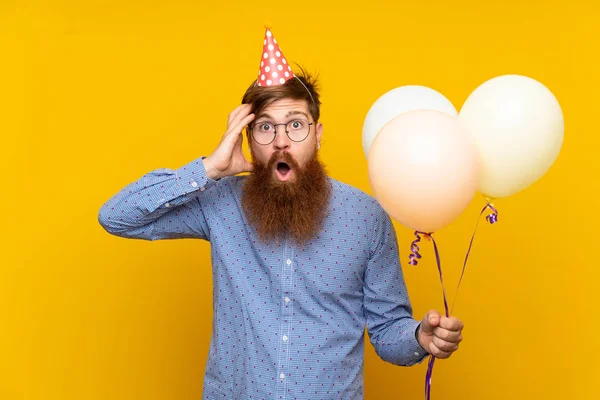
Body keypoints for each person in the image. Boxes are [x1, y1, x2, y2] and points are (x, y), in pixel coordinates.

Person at [98, 28, 463, 400]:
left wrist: (419, 336)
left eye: (296, 124)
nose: (281, 140)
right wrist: (209, 168)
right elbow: (116, 216)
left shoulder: (366, 218)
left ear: (318, 134)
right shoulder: (219, 203)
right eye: (265, 127)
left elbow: (388, 333)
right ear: (248, 138)